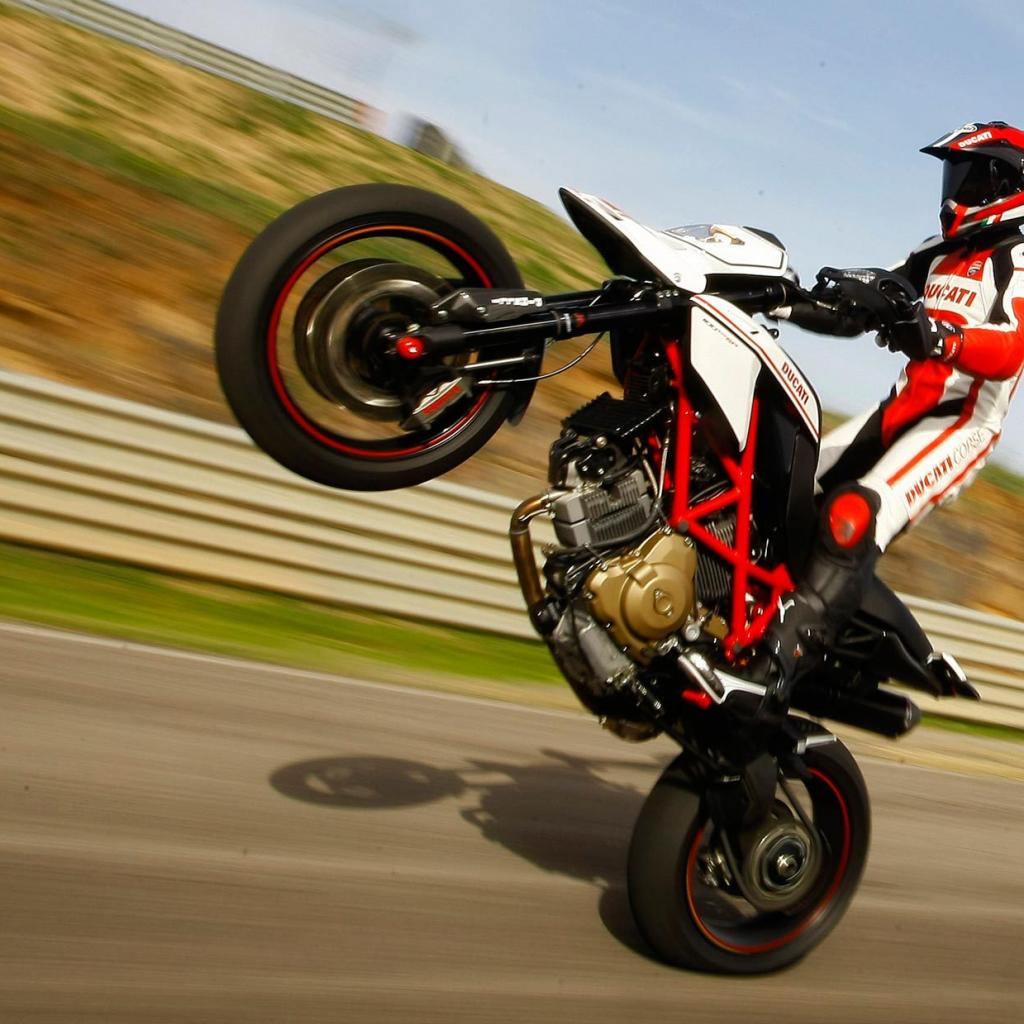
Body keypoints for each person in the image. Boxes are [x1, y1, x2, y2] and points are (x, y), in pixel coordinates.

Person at [760, 120, 1024, 716]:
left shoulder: (1017, 256)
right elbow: (860, 307)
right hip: (896, 412)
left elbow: (1010, 348)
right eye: (952, 177)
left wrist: (942, 336)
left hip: (957, 426)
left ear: (1006, 184)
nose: (953, 194)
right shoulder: (933, 254)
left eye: (969, 177)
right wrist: (785, 300)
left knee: (853, 515)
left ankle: (775, 669)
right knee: (778, 491)